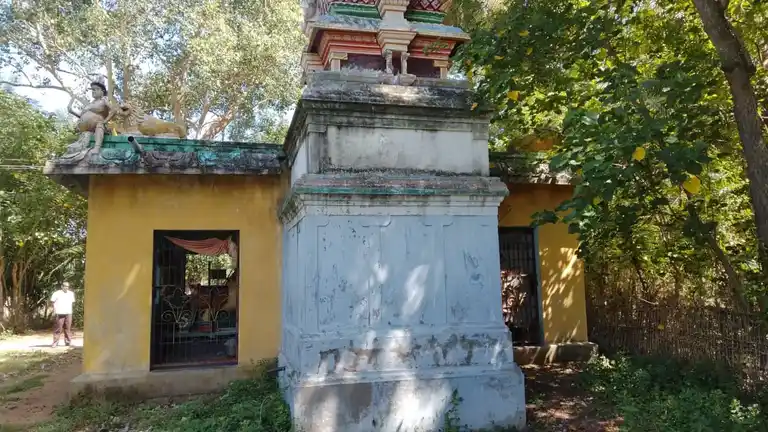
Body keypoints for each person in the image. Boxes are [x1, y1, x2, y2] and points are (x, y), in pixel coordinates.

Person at [50, 282, 76, 348]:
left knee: (68, 328)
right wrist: (54, 310)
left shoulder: (71, 293)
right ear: (62, 286)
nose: (66, 287)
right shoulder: (57, 293)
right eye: (65, 286)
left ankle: (68, 342)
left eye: (67, 286)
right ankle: (55, 342)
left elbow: (72, 302)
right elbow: (52, 302)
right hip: (59, 312)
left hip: (68, 313)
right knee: (58, 328)